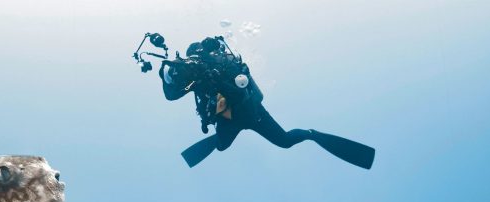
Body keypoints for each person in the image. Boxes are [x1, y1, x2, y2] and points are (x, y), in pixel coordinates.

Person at [160, 36, 375, 169]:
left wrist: (212, 50)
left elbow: (239, 71)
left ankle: (311, 134)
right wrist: (165, 74)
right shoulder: (194, 79)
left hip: (250, 110)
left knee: (284, 142)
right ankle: (308, 134)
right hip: (233, 117)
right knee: (222, 146)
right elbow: (171, 95)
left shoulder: (221, 60)